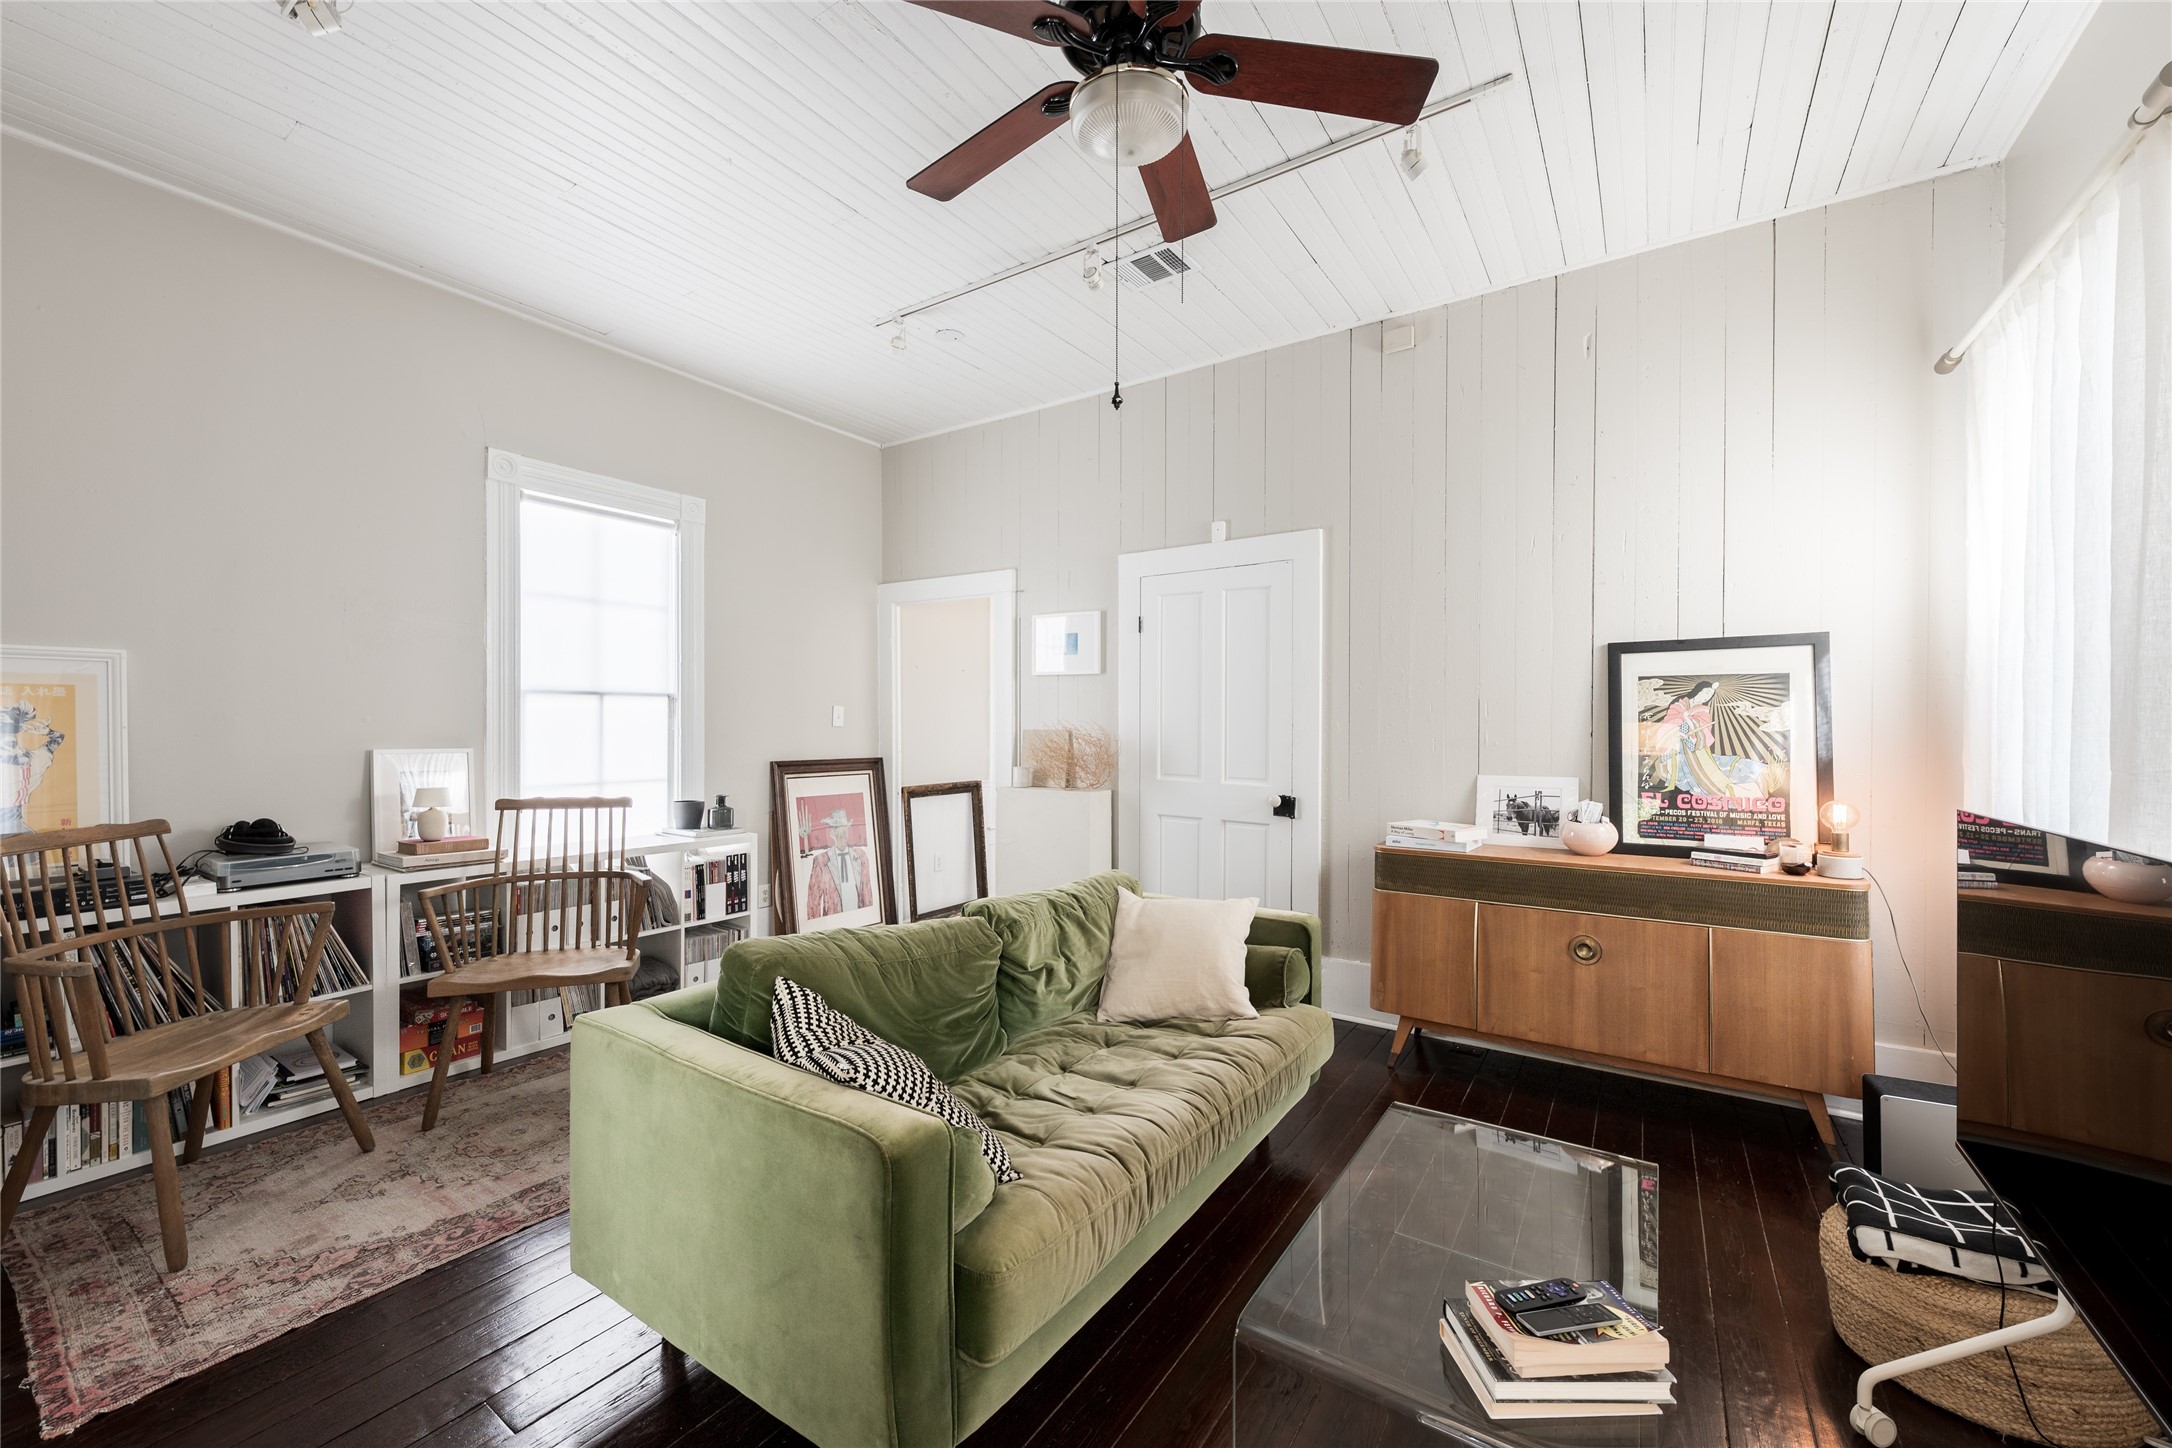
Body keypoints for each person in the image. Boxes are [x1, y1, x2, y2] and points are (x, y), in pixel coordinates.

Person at [805, 806, 872, 921]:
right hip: (834, 923)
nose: (842, 836)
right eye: (838, 831)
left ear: (848, 832)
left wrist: (869, 919)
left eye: (844, 831)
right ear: (831, 834)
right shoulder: (821, 861)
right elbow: (813, 901)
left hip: (859, 920)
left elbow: (867, 893)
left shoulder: (861, 856)